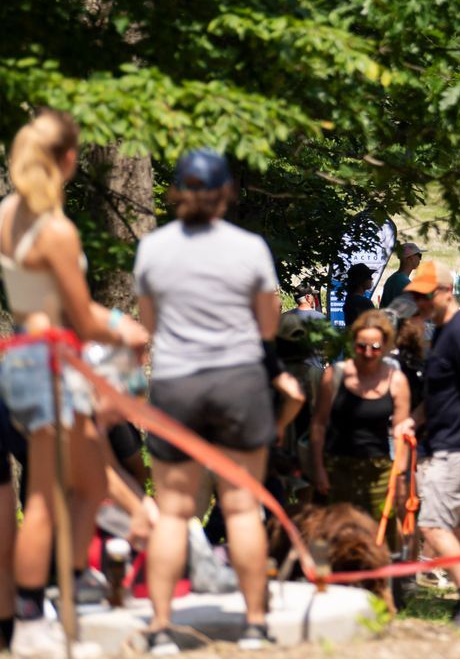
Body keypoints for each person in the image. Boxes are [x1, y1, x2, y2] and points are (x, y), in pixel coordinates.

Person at [2, 111, 148, 658]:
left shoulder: (8, 213)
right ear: (67, 158)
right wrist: (123, 327)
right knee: (46, 498)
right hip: (52, 364)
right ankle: (35, 622)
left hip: (24, 358)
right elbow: (82, 317)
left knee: (83, 487)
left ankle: (60, 607)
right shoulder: (55, 230)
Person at [135, 149, 279, 655]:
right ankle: (256, 625)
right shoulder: (250, 248)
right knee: (241, 509)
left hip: (177, 384)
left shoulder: (152, 249)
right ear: (225, 193)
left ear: (176, 191)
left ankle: (159, 628)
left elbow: (148, 326)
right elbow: (267, 326)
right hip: (238, 381)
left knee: (173, 512)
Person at [402, 261, 460, 633]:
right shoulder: (441, 333)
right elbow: (441, 393)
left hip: (455, 447)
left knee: (433, 527)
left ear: (445, 292)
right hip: (441, 441)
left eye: (424, 297)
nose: (419, 304)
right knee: (456, 527)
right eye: (415, 298)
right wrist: (415, 418)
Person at [311, 310, 412, 523]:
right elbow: (319, 424)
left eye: (375, 347)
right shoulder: (335, 375)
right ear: (353, 343)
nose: (367, 352)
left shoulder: (396, 381)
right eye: (361, 346)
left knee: (380, 537)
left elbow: (400, 431)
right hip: (337, 467)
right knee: (334, 533)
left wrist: (400, 474)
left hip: (379, 471)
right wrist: (318, 468)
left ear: (385, 346)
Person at [379, 241, 423, 308]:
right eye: (419, 255)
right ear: (411, 258)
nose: (420, 259)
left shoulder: (392, 279)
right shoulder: (403, 282)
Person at [341, 264, 378, 330]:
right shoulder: (364, 302)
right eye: (369, 277)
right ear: (361, 280)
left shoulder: (350, 298)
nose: (371, 278)